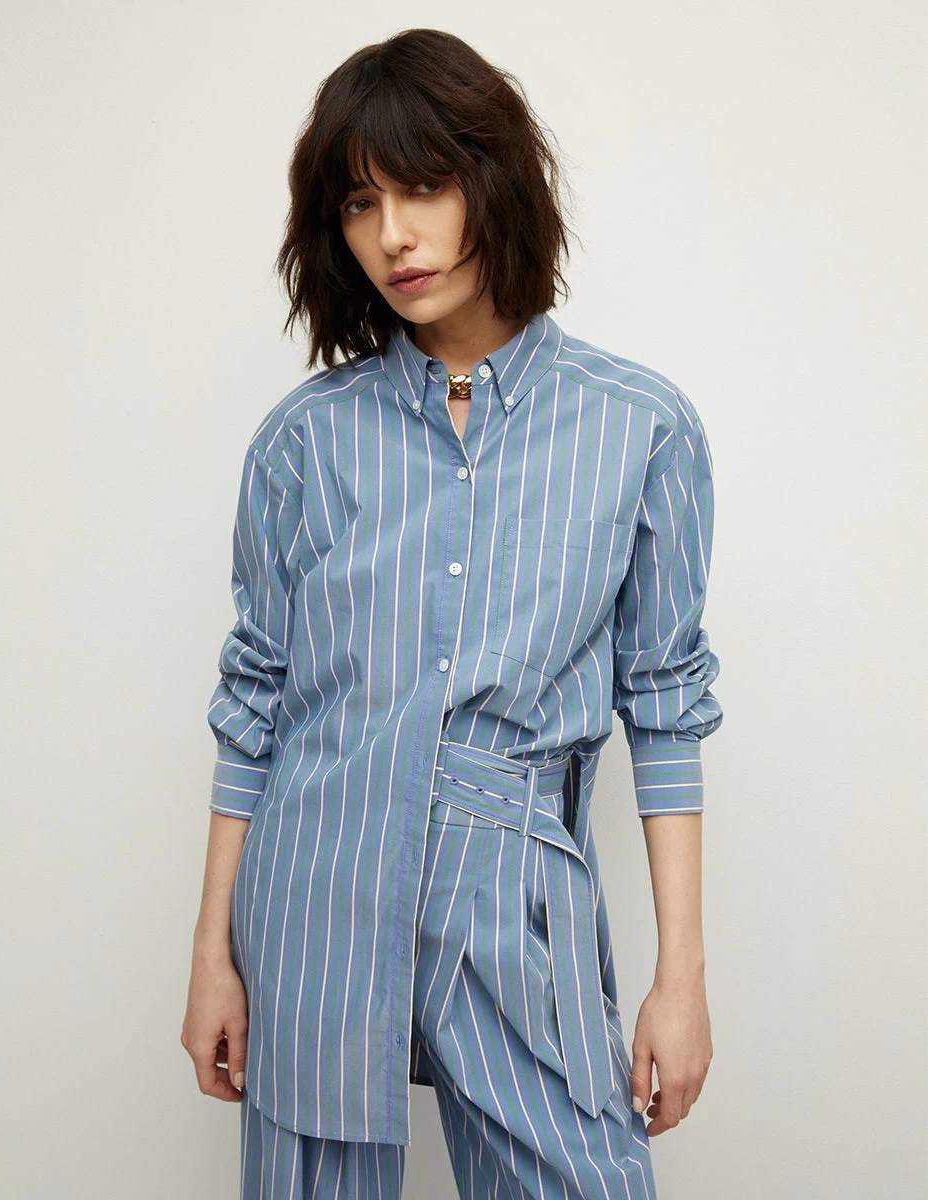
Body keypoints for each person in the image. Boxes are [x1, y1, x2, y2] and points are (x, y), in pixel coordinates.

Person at [181, 26, 723, 1200]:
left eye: (422, 187)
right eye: (357, 204)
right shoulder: (303, 445)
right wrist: (211, 954)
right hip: (315, 885)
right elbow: (255, 700)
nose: (392, 235)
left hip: (512, 894)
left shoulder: (638, 429)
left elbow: (664, 706)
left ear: (495, 182)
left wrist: (678, 976)